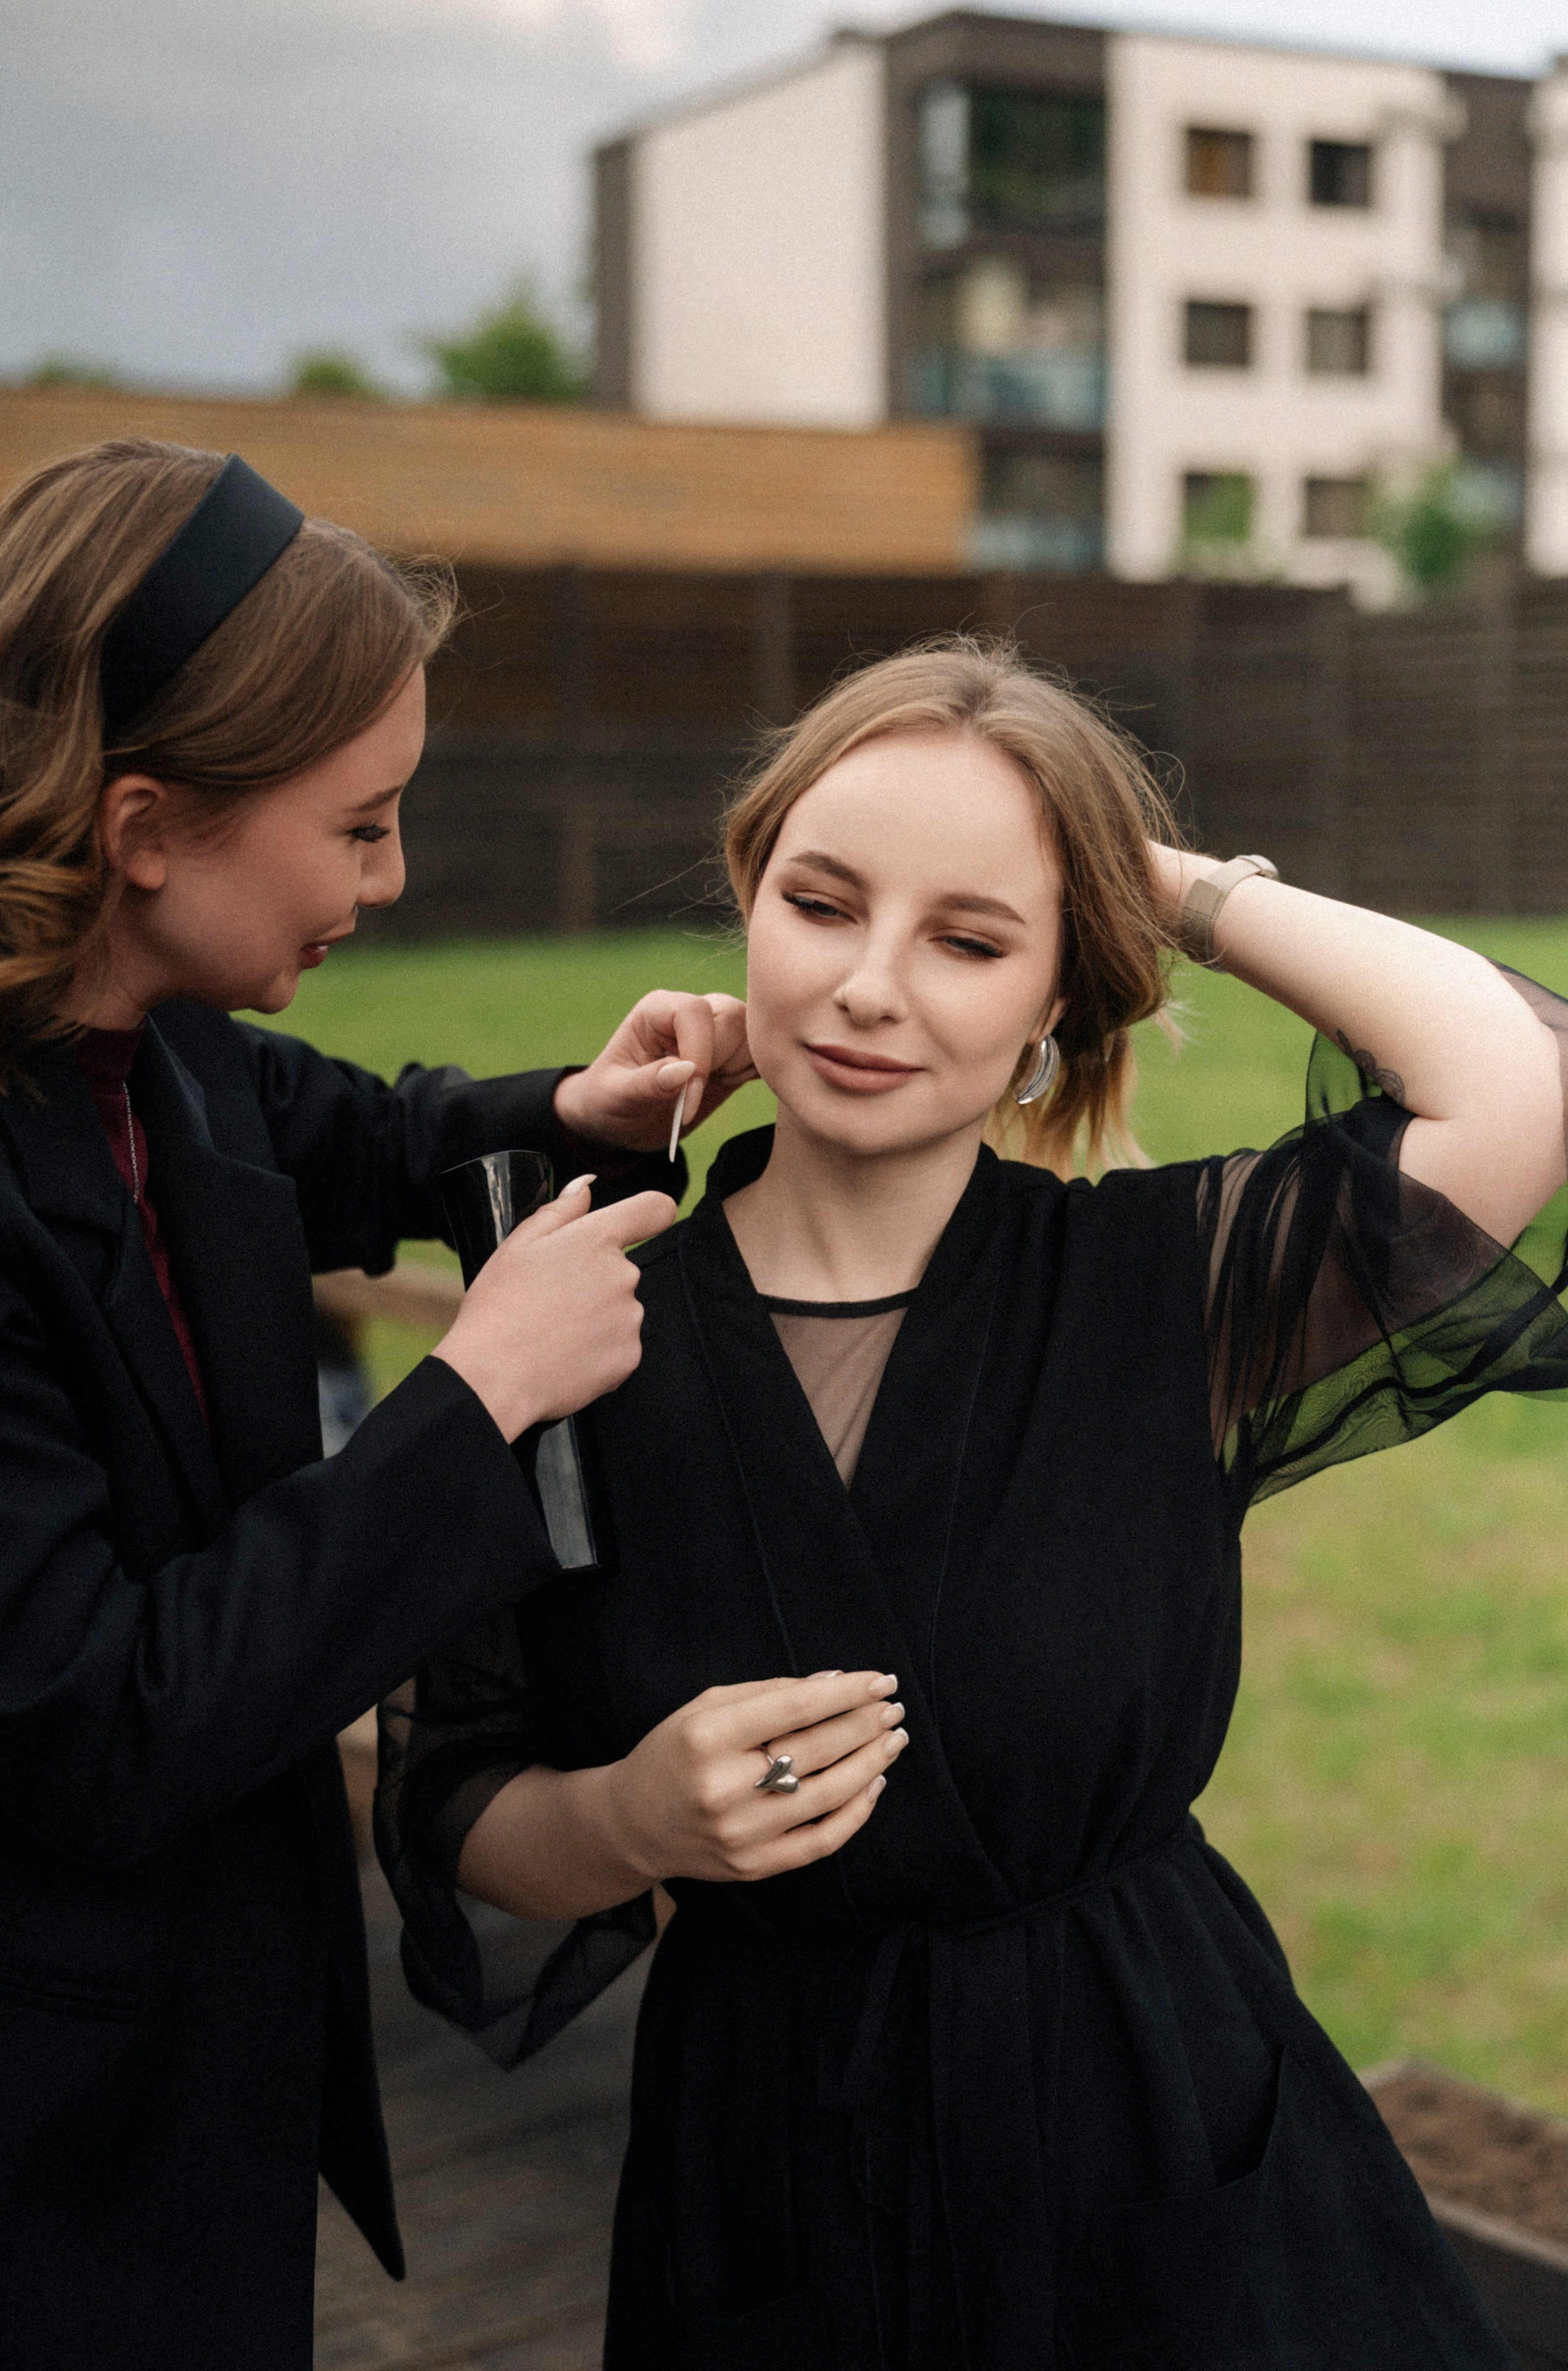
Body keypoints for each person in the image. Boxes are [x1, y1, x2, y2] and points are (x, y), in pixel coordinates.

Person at [380, 641, 1568, 2369]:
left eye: (969, 938)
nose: (868, 987)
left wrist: (1142, 871)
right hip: (773, 2183)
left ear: (1059, 997)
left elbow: (1512, 1085)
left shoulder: (1173, 1292)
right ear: (747, 899)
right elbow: (459, 1794)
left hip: (1162, 2146)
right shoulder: (575, 1324)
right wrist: (636, 1818)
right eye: (823, 902)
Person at [0, 437, 755, 2370]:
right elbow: (106, 1720)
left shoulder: (156, 1051)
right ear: (145, 825)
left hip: (197, 2080)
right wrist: (476, 1397)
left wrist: (563, 1114)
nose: (393, 879)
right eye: (360, 825)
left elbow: (347, 1135)